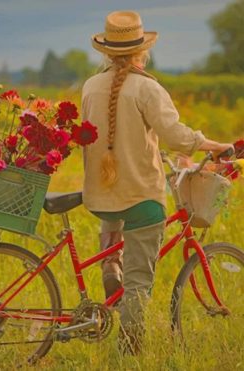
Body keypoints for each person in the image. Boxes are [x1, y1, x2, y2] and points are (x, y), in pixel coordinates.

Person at [81, 10, 234, 355]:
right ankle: (129, 353)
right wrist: (215, 145)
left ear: (106, 51)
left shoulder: (90, 86)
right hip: (140, 196)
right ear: (141, 51)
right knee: (140, 281)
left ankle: (110, 264)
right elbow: (177, 137)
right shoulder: (146, 88)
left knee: (115, 232)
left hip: (100, 195)